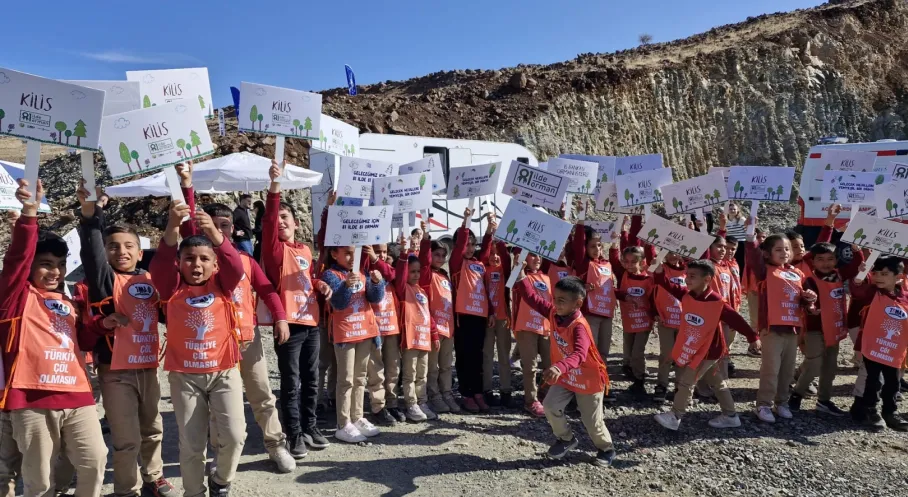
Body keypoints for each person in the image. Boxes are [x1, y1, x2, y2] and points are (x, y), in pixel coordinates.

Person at [177, 165, 297, 472]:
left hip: (247, 338)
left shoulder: (244, 260)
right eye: (214, 225)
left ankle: (275, 444)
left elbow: (267, 290)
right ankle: (220, 452)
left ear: (234, 228)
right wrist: (187, 186)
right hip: (216, 344)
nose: (221, 230)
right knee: (219, 406)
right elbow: (187, 229)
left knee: (262, 395)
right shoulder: (200, 264)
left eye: (226, 225)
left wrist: (281, 318)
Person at [0, 179, 113, 497]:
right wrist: (29, 213)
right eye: (46, 265)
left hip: (77, 395)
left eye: (61, 266)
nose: (55, 273)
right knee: (41, 482)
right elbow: (16, 261)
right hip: (32, 399)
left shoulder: (69, 301)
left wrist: (102, 325)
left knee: (94, 462)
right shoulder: (15, 299)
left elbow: (84, 342)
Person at [75, 180, 175, 496]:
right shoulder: (104, 280)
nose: (122, 251)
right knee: (126, 437)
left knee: (153, 429)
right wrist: (91, 213)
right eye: (114, 246)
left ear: (139, 250)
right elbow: (91, 247)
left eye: (129, 245)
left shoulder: (149, 279)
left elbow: (167, 307)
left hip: (147, 367)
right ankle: (125, 489)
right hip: (115, 371)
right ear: (106, 253)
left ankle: (153, 478)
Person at [151, 201, 247, 497]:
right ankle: (193, 491)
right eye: (189, 258)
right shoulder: (171, 289)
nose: (197, 265)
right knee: (192, 444)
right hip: (185, 376)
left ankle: (221, 480)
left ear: (215, 264)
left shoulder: (223, 284)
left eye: (205, 259)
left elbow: (235, 264)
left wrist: (214, 235)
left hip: (224, 371)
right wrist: (172, 225)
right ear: (179, 264)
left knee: (234, 436)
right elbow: (160, 263)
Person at [262, 162, 332, 453]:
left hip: (311, 323)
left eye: (286, 217)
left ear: (296, 223)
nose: (280, 221)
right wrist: (275, 187)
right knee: (290, 382)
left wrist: (319, 285)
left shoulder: (304, 250)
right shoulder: (275, 251)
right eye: (277, 218)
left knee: (311, 379)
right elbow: (268, 223)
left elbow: (309, 276)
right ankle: (294, 433)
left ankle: (310, 425)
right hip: (288, 325)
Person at [513, 272, 615, 466]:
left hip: (587, 378)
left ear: (577, 303)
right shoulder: (554, 313)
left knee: (592, 421)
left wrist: (559, 366)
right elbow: (533, 299)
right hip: (567, 375)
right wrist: (522, 278)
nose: (556, 304)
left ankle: (606, 448)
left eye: (561, 300)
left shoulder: (579, 327)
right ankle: (566, 438)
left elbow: (580, 354)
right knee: (550, 406)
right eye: (554, 299)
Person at [652, 260, 760, 430]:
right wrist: (659, 272)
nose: (687, 279)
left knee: (687, 381)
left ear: (707, 279)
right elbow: (668, 286)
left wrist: (752, 337)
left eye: (692, 276)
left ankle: (675, 415)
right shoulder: (688, 295)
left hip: (709, 350)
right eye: (687, 275)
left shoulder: (717, 302)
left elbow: (737, 320)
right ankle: (731, 415)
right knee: (717, 382)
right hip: (697, 348)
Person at [746, 230, 817, 423]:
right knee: (771, 369)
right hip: (772, 329)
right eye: (778, 249)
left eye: (787, 249)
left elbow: (802, 298)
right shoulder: (764, 271)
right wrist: (750, 236)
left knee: (787, 370)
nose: (785, 252)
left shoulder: (797, 273)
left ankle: (782, 402)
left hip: (792, 328)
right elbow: (752, 256)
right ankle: (764, 404)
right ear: (767, 254)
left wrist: (809, 299)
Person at [321, 242, 386, 442]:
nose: (351, 258)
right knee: (346, 380)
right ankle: (343, 423)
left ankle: (357, 417)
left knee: (360, 378)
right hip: (345, 335)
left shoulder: (362, 272)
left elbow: (375, 299)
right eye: (346, 254)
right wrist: (346, 286)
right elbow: (338, 303)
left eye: (354, 254)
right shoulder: (330, 275)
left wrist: (377, 283)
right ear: (334, 254)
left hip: (365, 332)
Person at [790, 239, 863, 416]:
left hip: (835, 329)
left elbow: (856, 266)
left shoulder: (839, 275)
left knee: (830, 367)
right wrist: (811, 307)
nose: (825, 263)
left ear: (836, 260)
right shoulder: (809, 280)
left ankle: (824, 400)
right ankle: (796, 394)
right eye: (820, 259)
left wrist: (857, 250)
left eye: (830, 259)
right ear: (813, 262)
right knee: (814, 364)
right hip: (815, 329)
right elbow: (807, 299)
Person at [849, 256, 908, 431]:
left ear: (899, 277)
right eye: (875, 273)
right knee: (873, 380)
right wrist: (861, 274)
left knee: (893, 382)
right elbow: (857, 290)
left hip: (895, 348)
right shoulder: (872, 292)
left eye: (884, 274)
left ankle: (890, 412)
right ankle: (870, 410)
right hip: (873, 346)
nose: (878, 277)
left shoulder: (904, 296)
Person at [572, 205, 618, 401]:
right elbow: (577, 246)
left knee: (604, 352)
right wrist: (581, 220)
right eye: (592, 246)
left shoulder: (606, 264)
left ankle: (602, 385)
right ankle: (584, 388)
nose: (597, 249)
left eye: (600, 245)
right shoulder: (583, 263)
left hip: (606, 315)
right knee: (588, 351)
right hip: (590, 314)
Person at [450, 209, 494, 413]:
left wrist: (489, 232)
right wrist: (465, 221)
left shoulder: (479, 264)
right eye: (467, 244)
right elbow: (459, 246)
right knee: (464, 356)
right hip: (463, 317)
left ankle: (477, 392)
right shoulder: (457, 264)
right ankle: (466, 393)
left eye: (473, 244)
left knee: (477, 356)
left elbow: (486, 288)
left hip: (480, 316)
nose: (470, 248)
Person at [395, 237, 438, 421]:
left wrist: (434, 334)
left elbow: (428, 315)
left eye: (418, 271)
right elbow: (400, 275)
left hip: (424, 338)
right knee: (410, 374)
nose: (416, 275)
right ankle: (411, 403)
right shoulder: (404, 289)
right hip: (410, 339)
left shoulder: (421, 290)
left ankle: (422, 401)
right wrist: (405, 254)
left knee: (422, 373)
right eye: (412, 272)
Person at [419, 222, 459, 416]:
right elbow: (424, 260)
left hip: (448, 327)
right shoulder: (427, 274)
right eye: (437, 255)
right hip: (433, 328)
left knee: (446, 365)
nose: (440, 259)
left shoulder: (445, 275)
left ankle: (447, 393)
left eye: (444, 256)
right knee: (432, 367)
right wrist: (426, 238)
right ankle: (433, 395)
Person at [363, 243, 404, 425]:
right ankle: (378, 407)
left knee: (393, 369)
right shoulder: (365, 271)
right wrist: (372, 260)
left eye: (385, 252)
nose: (381, 255)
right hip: (374, 329)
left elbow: (392, 274)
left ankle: (392, 402)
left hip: (392, 328)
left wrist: (377, 259)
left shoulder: (388, 272)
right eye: (377, 251)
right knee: (376, 371)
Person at [510, 250, 553, 417]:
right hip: (526, 326)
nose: (538, 259)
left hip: (544, 326)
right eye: (533, 255)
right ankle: (531, 400)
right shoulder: (517, 276)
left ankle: (545, 392)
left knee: (550, 363)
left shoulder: (546, 276)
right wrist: (518, 266)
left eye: (539, 255)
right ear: (524, 258)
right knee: (530, 367)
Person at [482, 237, 513, 407]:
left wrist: (500, 241)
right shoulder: (483, 270)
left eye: (497, 254)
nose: (495, 257)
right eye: (492, 253)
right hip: (487, 320)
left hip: (503, 320)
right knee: (487, 356)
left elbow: (507, 259)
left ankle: (506, 391)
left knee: (503, 356)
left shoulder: (504, 270)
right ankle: (487, 391)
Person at [652, 251, 686, 401]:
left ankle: (680, 387)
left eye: (677, 253)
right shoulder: (660, 268)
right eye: (669, 253)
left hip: (684, 321)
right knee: (666, 355)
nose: (673, 256)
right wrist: (655, 312)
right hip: (666, 319)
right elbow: (652, 291)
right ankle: (662, 385)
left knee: (681, 356)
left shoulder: (688, 270)